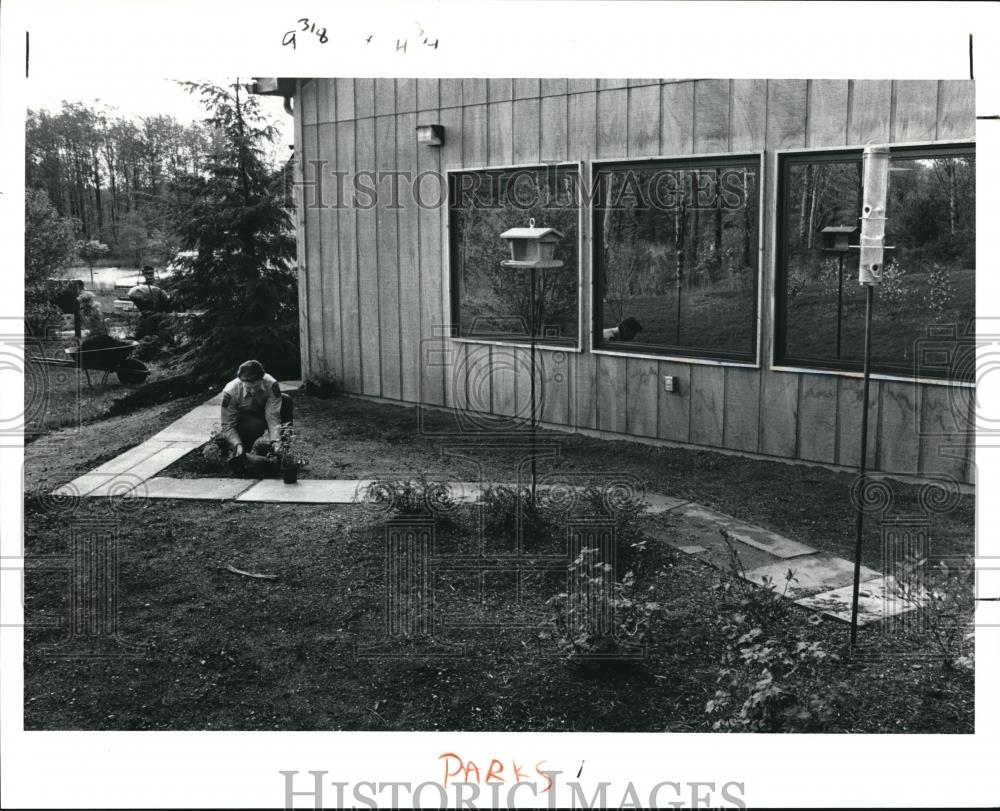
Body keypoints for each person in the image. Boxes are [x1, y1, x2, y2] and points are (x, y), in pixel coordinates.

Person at [219, 360, 294, 463]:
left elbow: (273, 415)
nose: (253, 390)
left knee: (286, 401)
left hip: (264, 412)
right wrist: (237, 444)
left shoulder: (271, 384)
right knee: (255, 426)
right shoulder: (230, 392)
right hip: (244, 419)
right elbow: (227, 425)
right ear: (241, 381)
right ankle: (243, 450)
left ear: (261, 379)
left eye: (256, 386)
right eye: (249, 388)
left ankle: (283, 450)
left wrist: (275, 441)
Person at [128, 266, 171, 340]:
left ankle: (153, 336)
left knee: (154, 320)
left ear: (153, 273)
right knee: (147, 318)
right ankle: (144, 336)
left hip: (159, 306)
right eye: (147, 273)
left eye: (151, 273)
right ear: (143, 274)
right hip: (148, 307)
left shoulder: (159, 283)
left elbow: (164, 296)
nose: (149, 275)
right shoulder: (142, 285)